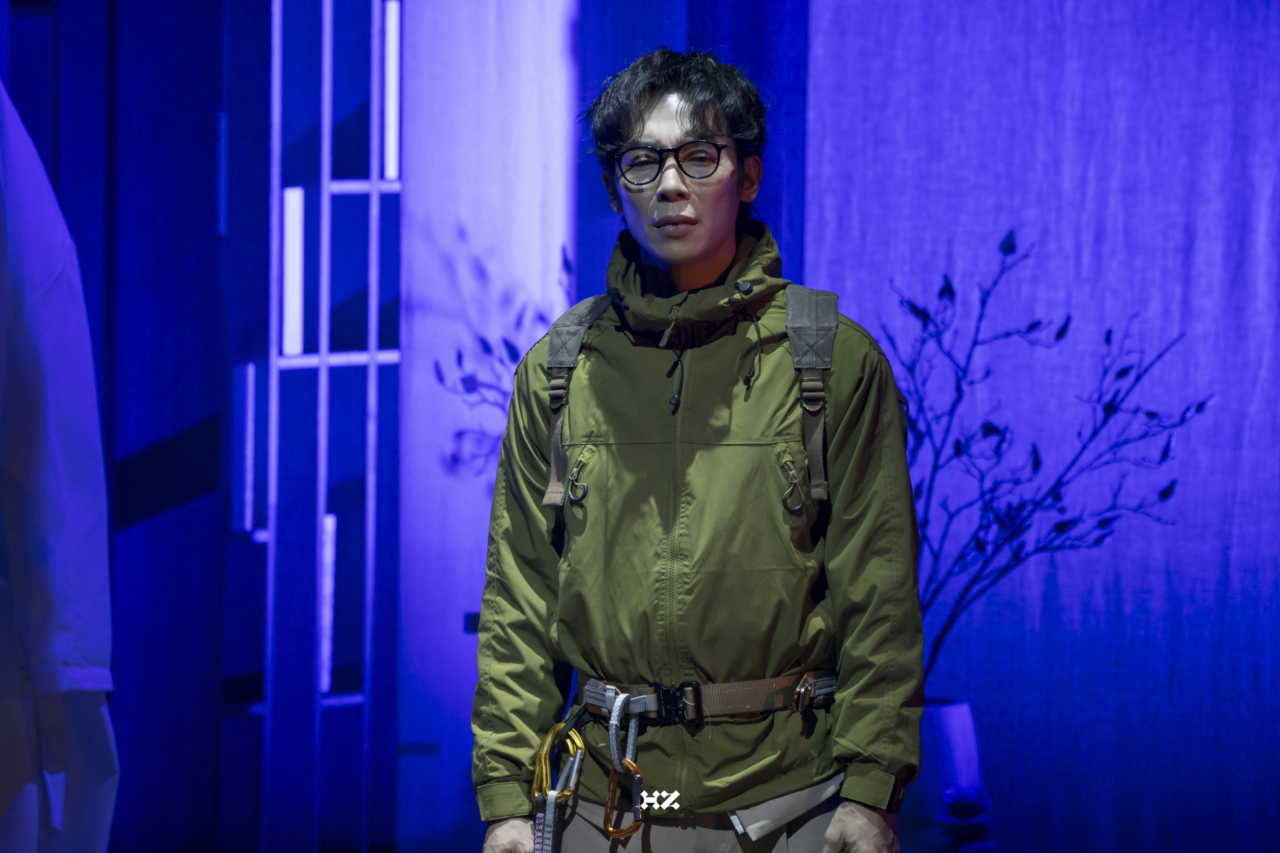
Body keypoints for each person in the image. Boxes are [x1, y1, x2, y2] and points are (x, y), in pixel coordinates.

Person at [472, 49, 923, 853]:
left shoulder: (829, 360)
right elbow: (520, 601)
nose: (670, 185)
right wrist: (507, 799)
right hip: (608, 802)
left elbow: (878, 595)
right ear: (614, 185)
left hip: (790, 799)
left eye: (699, 156)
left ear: (748, 175)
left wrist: (871, 790)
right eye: (642, 162)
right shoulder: (558, 370)